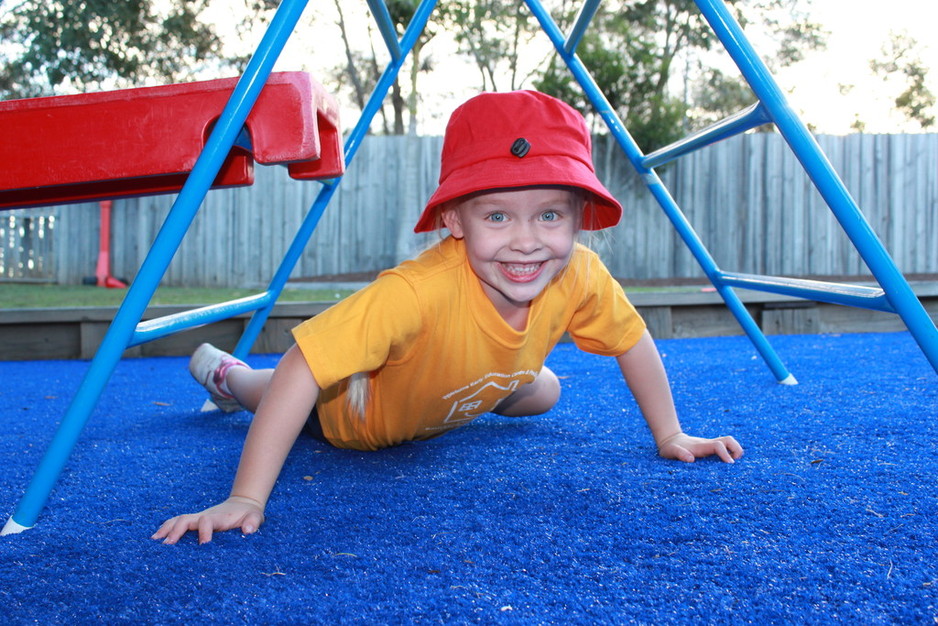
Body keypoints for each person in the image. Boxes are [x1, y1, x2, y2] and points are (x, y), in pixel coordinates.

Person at [152, 90, 743, 545]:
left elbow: (632, 339)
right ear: (454, 220)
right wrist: (246, 498)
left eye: (549, 216)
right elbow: (305, 365)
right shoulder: (417, 292)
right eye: (496, 217)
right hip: (358, 412)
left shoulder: (581, 273)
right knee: (275, 386)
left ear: (579, 216)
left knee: (547, 391)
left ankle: (485, 379)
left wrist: (669, 434)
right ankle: (228, 378)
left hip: (455, 387)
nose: (526, 242)